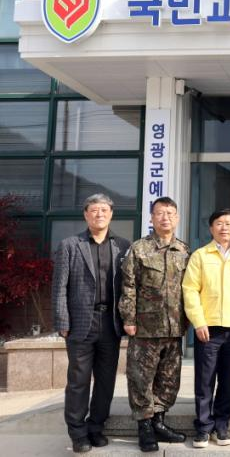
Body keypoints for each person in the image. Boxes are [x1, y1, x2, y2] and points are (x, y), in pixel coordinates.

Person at [52, 194, 131, 454]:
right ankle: (77, 432)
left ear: (111, 214)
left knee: (106, 380)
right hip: (80, 324)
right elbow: (59, 287)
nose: (99, 214)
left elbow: (129, 287)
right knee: (79, 380)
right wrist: (62, 320)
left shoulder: (123, 246)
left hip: (110, 323)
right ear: (86, 214)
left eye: (104, 210)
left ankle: (96, 427)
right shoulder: (70, 245)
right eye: (94, 210)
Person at [119, 196, 189, 452]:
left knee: (168, 379)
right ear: (151, 218)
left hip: (174, 327)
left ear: (177, 218)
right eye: (160, 213)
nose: (165, 218)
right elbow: (129, 286)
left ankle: (159, 421)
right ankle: (145, 426)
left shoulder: (184, 251)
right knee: (141, 377)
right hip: (145, 327)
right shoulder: (139, 249)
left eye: (170, 213)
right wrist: (129, 319)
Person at [182, 209, 230, 448]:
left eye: (228, 223)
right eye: (219, 223)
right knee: (205, 379)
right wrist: (198, 321)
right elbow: (190, 290)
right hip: (207, 327)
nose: (224, 228)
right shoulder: (200, 255)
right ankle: (203, 426)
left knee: (227, 378)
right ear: (211, 228)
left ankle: (222, 424)